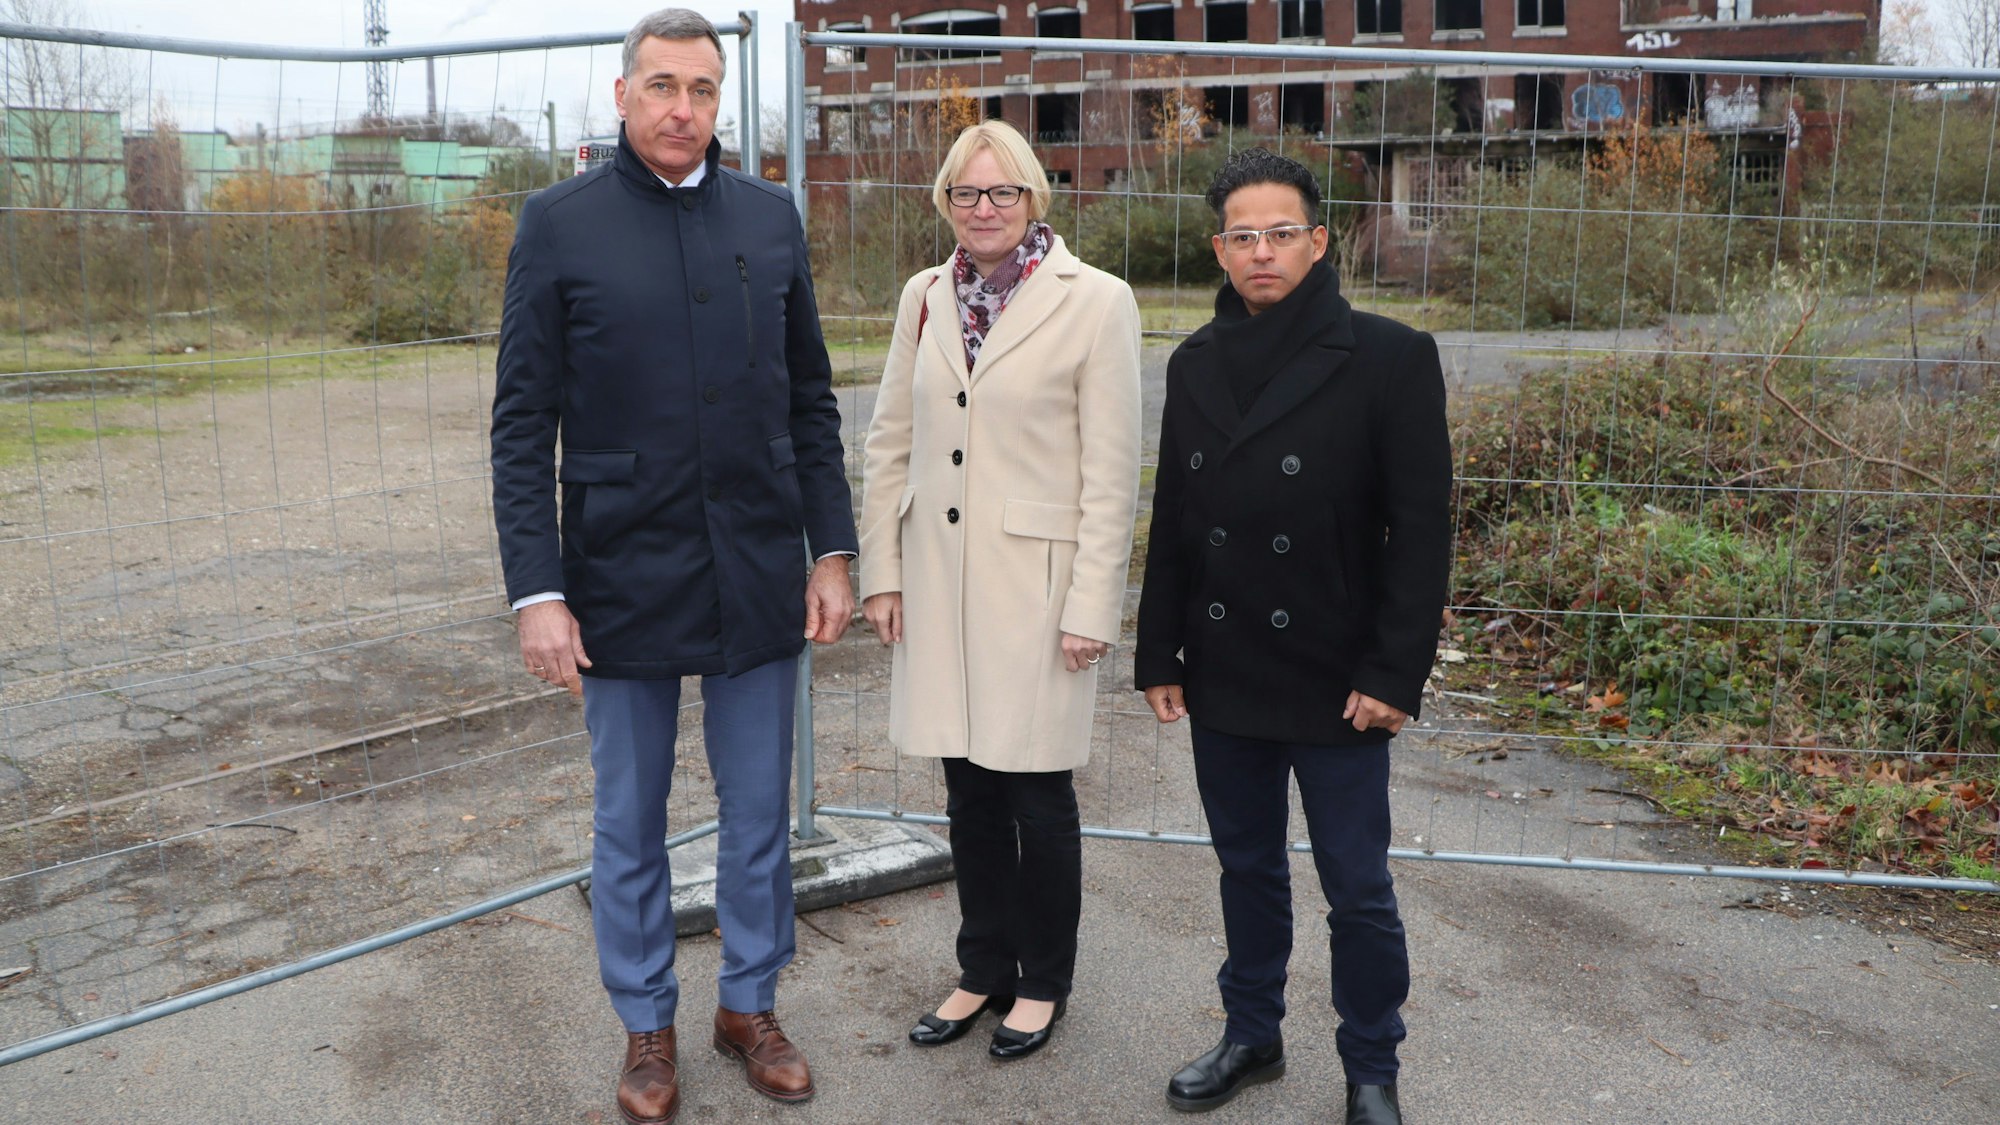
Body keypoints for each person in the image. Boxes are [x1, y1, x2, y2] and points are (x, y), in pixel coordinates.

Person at [490, 10, 857, 1125]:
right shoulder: (558, 225)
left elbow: (808, 400)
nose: (681, 109)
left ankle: (747, 1004)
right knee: (629, 819)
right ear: (620, 96)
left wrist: (830, 547)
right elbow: (521, 423)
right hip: (615, 578)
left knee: (756, 813)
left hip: (753, 567)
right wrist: (537, 590)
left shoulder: (768, 218)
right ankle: (646, 1021)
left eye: (701, 89)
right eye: (661, 86)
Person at [1134, 148, 1450, 1125]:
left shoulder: (1391, 356)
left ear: (1317, 242)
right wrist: (1158, 652)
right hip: (1227, 668)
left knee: (1355, 888)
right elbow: (1179, 517)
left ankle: (1370, 1068)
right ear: (1217, 248)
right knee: (1246, 868)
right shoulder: (1193, 364)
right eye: (1241, 235)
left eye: (1281, 233)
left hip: (1339, 676)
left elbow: (1422, 530)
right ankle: (1251, 1034)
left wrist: (1394, 671)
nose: (1261, 252)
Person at [857, 120, 1142, 1062]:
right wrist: (883, 573)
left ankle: (1043, 981)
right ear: (946, 202)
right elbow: (889, 439)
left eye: (1002, 193)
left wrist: (1093, 605)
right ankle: (981, 967)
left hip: (1038, 589)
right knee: (966, 790)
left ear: (1033, 200)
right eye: (967, 195)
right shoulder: (926, 297)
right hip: (939, 586)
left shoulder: (1096, 301)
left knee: (1036, 793)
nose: (984, 210)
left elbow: (1111, 472)